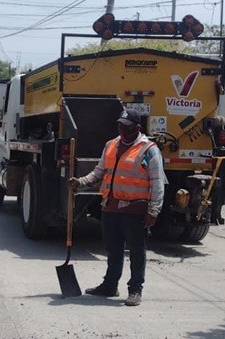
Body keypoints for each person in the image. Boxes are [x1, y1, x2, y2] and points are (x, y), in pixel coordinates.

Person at [69, 108, 165, 306]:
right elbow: (98, 173)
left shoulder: (149, 150)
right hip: (110, 207)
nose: (122, 129)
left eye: (126, 126)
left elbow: (157, 183)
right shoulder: (111, 145)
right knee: (113, 250)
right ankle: (110, 285)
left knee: (137, 252)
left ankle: (135, 290)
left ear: (136, 127)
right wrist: (80, 182)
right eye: (120, 125)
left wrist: (154, 210)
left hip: (134, 210)